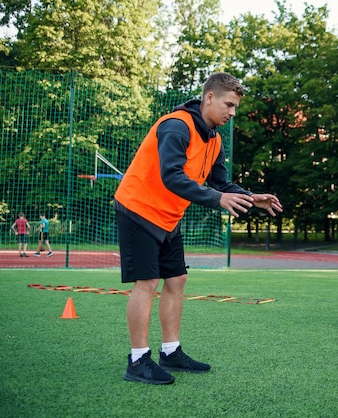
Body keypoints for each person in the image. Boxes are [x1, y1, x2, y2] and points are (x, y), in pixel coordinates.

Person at [114, 72, 283, 385]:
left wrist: (251, 197)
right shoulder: (176, 126)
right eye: (228, 105)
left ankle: (171, 351)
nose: (232, 113)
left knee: (177, 279)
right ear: (209, 98)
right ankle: (137, 360)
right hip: (138, 209)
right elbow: (172, 177)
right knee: (147, 282)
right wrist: (219, 199)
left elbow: (220, 182)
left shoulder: (214, 139)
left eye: (235, 107)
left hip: (167, 216)